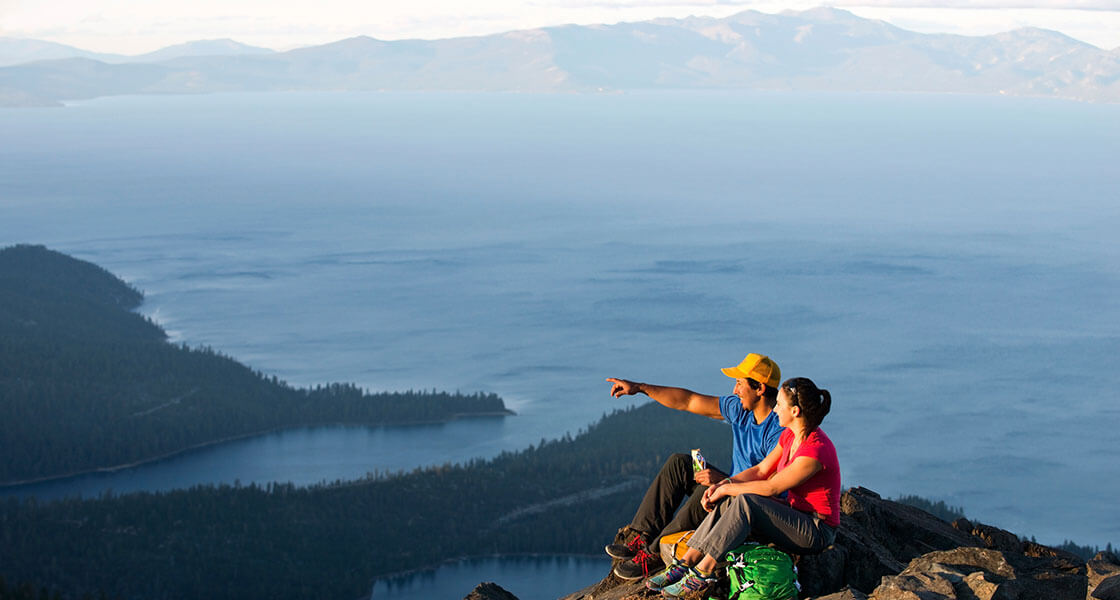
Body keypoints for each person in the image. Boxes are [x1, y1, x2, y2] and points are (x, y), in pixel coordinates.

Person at [645, 377, 840, 598]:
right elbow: (760, 470)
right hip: (794, 515)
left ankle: (703, 572)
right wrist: (724, 485)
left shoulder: (815, 451)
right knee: (731, 498)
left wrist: (727, 489)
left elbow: (772, 487)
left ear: (795, 411)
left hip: (816, 530)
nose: (775, 409)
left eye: (780, 404)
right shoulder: (789, 435)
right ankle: (686, 561)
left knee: (746, 501)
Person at [603, 353, 785, 580]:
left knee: (705, 494)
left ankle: (653, 555)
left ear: (760, 389)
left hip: (750, 504)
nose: (735, 390)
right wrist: (639, 387)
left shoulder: (778, 430)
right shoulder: (741, 410)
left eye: (740, 383)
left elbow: (770, 486)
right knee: (680, 463)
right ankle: (642, 536)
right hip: (730, 483)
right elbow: (688, 400)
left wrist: (723, 481)